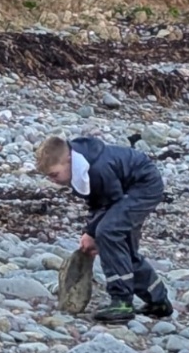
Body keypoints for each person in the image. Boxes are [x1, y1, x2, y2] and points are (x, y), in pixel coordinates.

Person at [35, 133, 172, 324]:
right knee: (124, 246)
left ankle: (121, 301)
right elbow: (98, 202)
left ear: (68, 159)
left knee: (108, 233)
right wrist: (89, 231)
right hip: (126, 190)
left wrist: (92, 233)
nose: (53, 181)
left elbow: (110, 202)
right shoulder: (81, 165)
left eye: (54, 174)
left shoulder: (97, 168)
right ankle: (158, 301)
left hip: (144, 186)